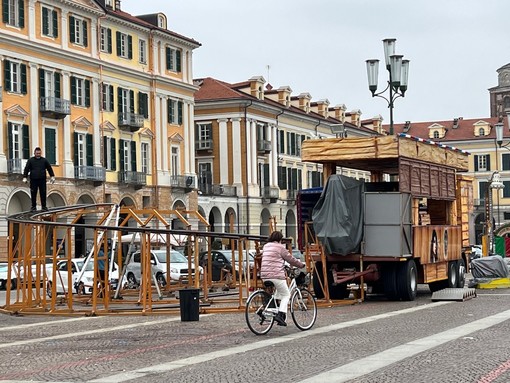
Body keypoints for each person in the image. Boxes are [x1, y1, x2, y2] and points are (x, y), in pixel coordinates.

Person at [260, 231, 305, 326]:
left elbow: (272, 259)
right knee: (286, 295)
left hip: (264, 275)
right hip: (276, 275)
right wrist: (301, 265)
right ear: (280, 239)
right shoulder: (281, 247)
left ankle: (263, 309)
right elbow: (290, 259)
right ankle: (280, 315)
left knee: (277, 294)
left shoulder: (266, 246)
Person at [23, 147, 55, 211]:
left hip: (42, 180)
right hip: (33, 179)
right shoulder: (31, 160)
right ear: (34, 153)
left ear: (41, 153)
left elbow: (49, 168)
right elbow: (26, 168)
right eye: (37, 153)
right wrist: (25, 177)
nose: (38, 154)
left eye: (39, 153)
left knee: (43, 193)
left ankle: (44, 207)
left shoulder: (44, 160)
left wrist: (52, 176)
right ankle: (33, 207)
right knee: (33, 193)